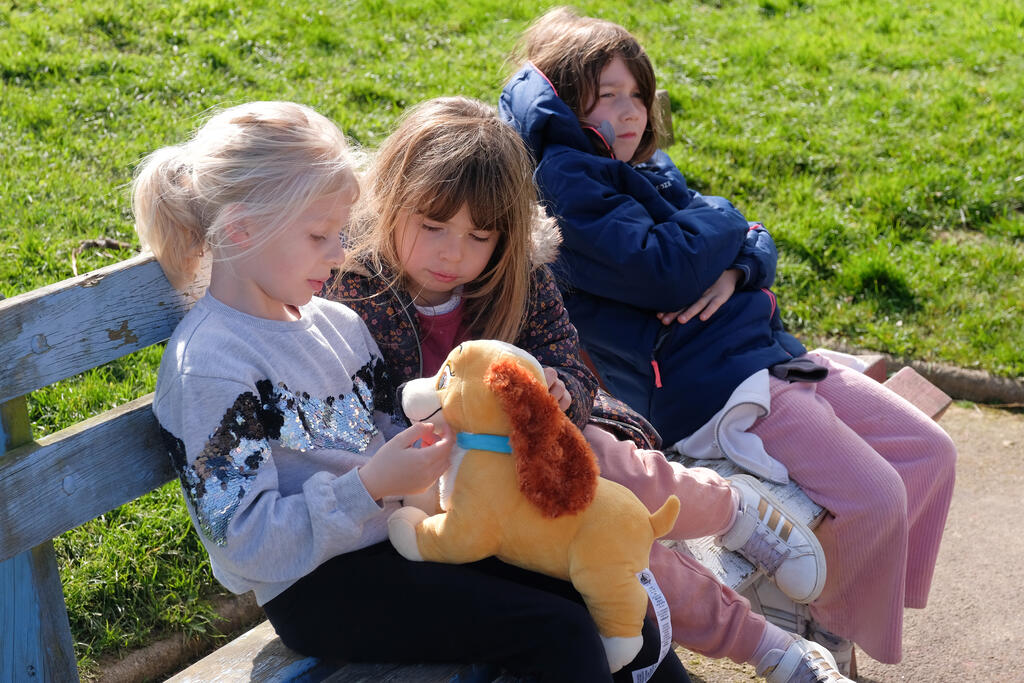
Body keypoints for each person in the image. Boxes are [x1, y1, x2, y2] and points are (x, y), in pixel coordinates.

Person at [135, 100, 687, 682]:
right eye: (320, 235)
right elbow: (244, 542)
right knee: (557, 628)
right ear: (241, 229)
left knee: (601, 585)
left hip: (406, 537)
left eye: (339, 233)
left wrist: (473, 429)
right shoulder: (211, 366)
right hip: (319, 586)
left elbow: (396, 431)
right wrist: (370, 486)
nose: (340, 254)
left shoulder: (336, 324)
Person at [499, 5, 957, 676]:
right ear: (566, 104)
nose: (630, 113)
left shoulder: (640, 167)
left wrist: (738, 264)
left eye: (638, 95)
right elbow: (666, 267)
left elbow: (748, 242)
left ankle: (830, 602)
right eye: (608, 96)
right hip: (713, 387)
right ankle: (825, 626)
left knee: (928, 454)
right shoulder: (569, 181)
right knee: (878, 497)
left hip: (765, 353)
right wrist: (727, 222)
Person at [330, 95, 850, 683]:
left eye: (479, 236)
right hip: (459, 493)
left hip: (543, 455)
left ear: (506, 236)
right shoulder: (354, 292)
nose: (453, 253)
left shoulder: (519, 279)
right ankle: (765, 641)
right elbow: (358, 414)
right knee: (610, 544)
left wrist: (562, 392)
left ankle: (742, 552)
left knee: (607, 498)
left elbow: (566, 359)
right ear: (390, 199)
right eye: (432, 227)